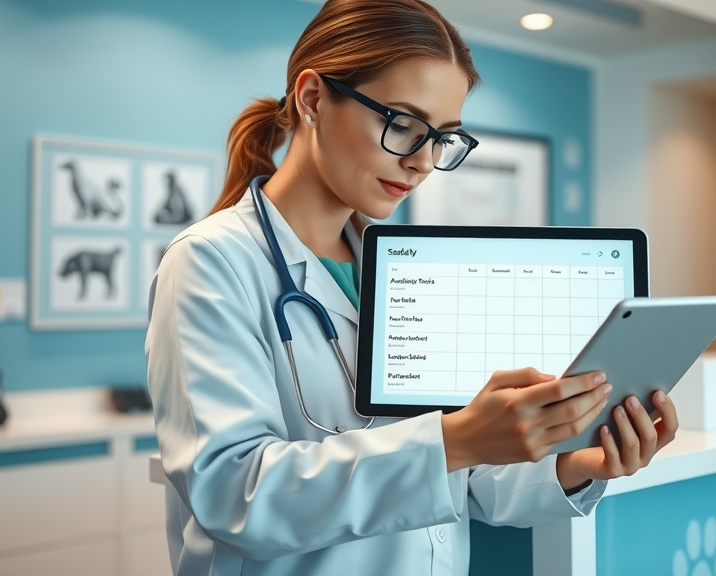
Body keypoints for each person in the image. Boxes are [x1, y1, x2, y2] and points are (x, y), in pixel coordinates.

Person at [145, 1, 679, 574]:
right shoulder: (212, 262)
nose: (423, 162)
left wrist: (578, 465)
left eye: (442, 138)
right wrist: (456, 439)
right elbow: (235, 497)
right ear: (313, 99)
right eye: (402, 125)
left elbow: (460, 481)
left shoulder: (404, 271)